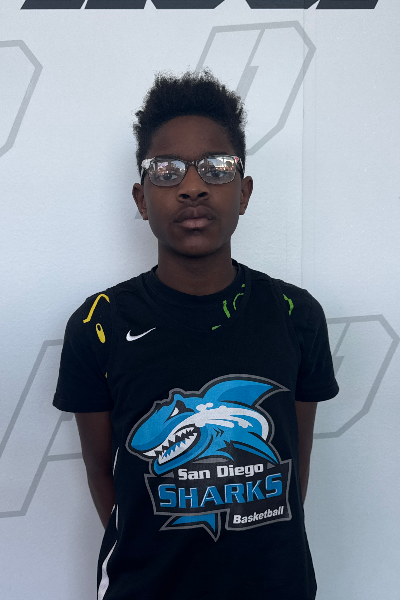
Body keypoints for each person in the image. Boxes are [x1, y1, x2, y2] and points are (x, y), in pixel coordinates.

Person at [53, 70, 339, 600]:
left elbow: (294, 464)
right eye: (166, 170)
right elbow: (101, 472)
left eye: (216, 167)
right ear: (141, 198)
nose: (192, 186)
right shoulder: (99, 323)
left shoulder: (295, 314)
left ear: (243, 192)